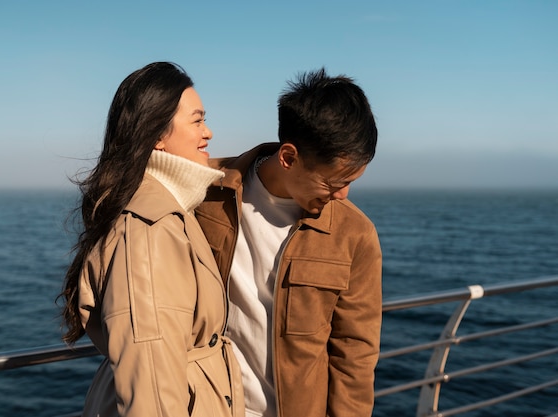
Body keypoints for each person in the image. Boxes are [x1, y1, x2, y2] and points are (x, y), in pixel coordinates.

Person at [58, 62, 244, 417]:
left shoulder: (173, 211)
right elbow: (151, 384)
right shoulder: (149, 230)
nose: (209, 132)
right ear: (157, 135)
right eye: (197, 120)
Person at [195, 68, 382, 417]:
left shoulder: (355, 234)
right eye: (333, 182)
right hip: (208, 407)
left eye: (351, 181)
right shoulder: (204, 193)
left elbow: (355, 353)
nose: (343, 195)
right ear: (288, 157)